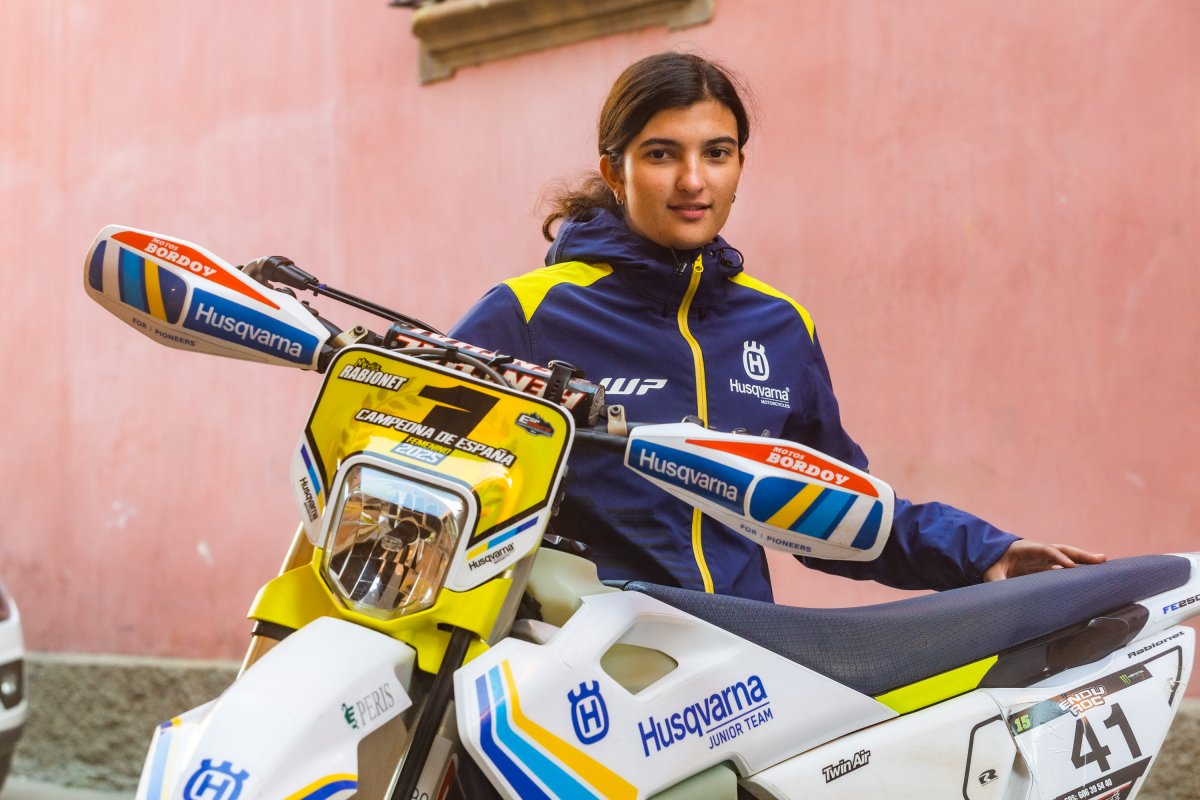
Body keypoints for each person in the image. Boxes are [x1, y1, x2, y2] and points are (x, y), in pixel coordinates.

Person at [449, 51, 1105, 602]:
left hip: (742, 667)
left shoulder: (779, 324)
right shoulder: (527, 314)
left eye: (717, 153)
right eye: (661, 154)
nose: (692, 180)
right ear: (614, 173)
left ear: (739, 166)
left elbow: (835, 513)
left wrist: (988, 554)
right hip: (580, 671)